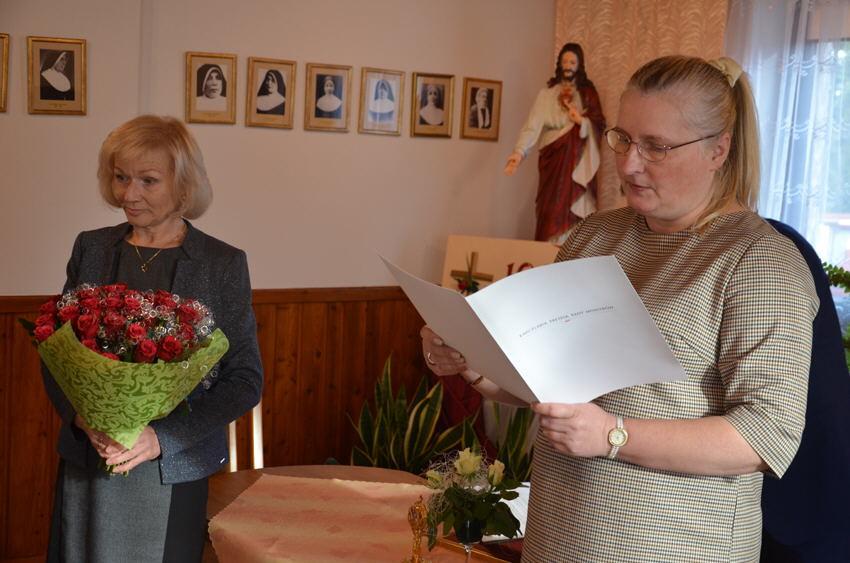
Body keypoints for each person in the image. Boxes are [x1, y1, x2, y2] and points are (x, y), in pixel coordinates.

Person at [422, 55, 818, 562]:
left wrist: (613, 435)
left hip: (675, 547)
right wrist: (471, 360)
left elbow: (767, 436)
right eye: (623, 139)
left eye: (656, 146)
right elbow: (542, 380)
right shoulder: (594, 235)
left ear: (718, 149)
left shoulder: (759, 261)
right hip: (560, 535)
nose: (629, 164)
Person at [43, 115, 263, 563]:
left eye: (148, 180)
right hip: (89, 459)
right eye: (121, 177)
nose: (129, 194)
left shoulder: (222, 263)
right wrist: (82, 418)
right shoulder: (91, 248)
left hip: (171, 468)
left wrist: (160, 438)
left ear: (183, 185)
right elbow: (55, 350)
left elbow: (244, 379)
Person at [504, 42, 606, 243]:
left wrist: (581, 121)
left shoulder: (587, 94)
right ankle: (547, 250)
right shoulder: (547, 95)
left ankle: (572, 248)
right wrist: (519, 152)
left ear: (579, 65)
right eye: (565, 61)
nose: (568, 66)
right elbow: (532, 126)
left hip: (576, 160)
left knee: (575, 209)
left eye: (572, 62)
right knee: (550, 210)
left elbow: (599, 123)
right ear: (559, 64)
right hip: (553, 159)